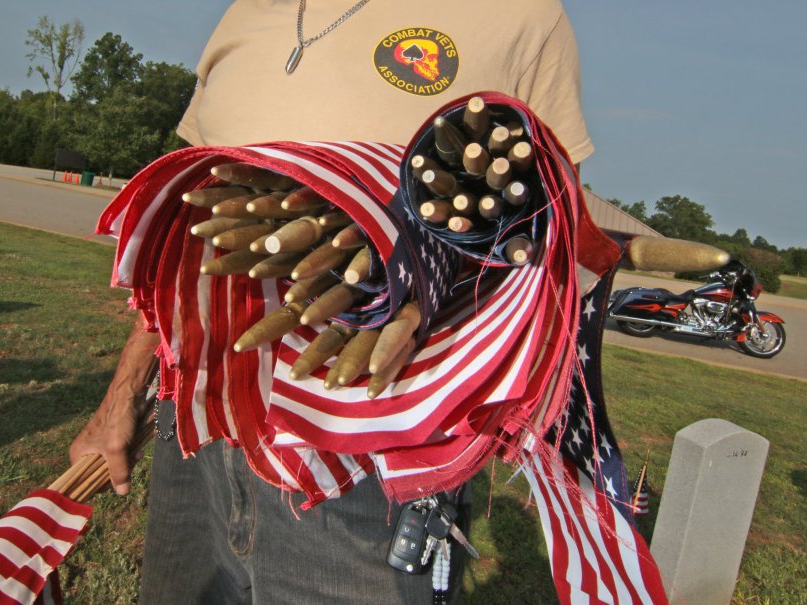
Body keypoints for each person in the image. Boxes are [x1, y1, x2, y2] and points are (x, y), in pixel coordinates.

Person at [70, 1, 593, 603]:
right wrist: (122, 392)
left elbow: (544, 246)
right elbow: (195, 231)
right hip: (201, 419)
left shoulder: (519, 16)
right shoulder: (247, 12)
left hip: (365, 451)